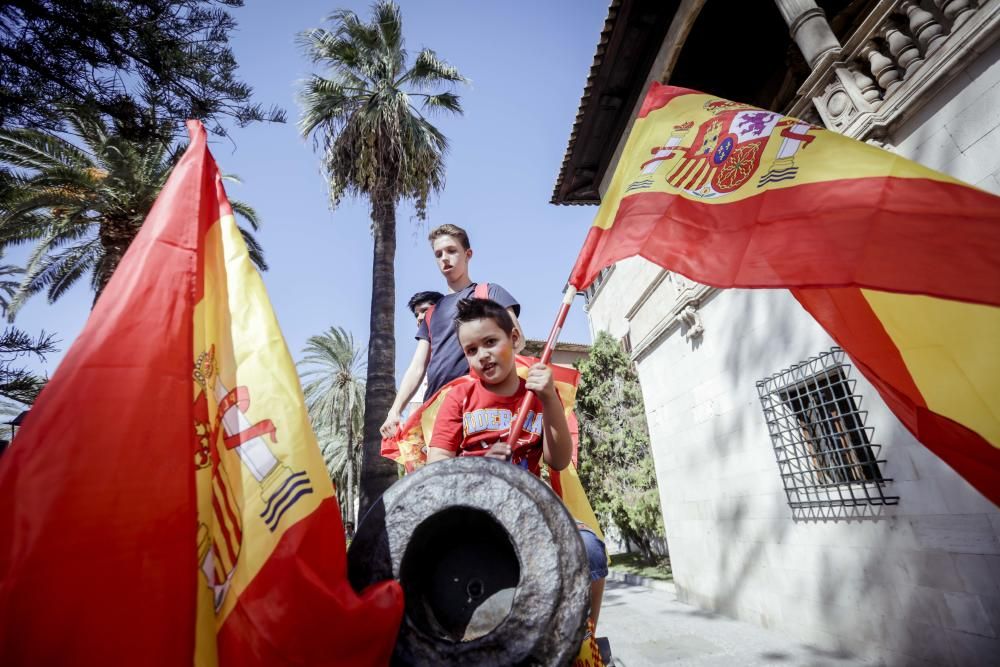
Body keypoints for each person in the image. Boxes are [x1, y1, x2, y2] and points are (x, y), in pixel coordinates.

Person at [426, 298, 607, 627]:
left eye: (491, 342)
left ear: (514, 339)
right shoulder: (459, 398)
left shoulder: (536, 397)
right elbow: (436, 464)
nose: (482, 355)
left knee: (591, 550)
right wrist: (479, 469)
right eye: (471, 350)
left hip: (532, 510)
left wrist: (550, 399)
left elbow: (559, 459)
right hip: (474, 516)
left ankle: (584, 635)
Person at [380, 224, 524, 438]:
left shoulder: (489, 292)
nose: (444, 258)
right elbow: (417, 367)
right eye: (438, 254)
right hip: (436, 411)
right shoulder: (431, 313)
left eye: (451, 251)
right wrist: (394, 410)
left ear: (468, 254)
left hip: (480, 408)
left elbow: (517, 342)